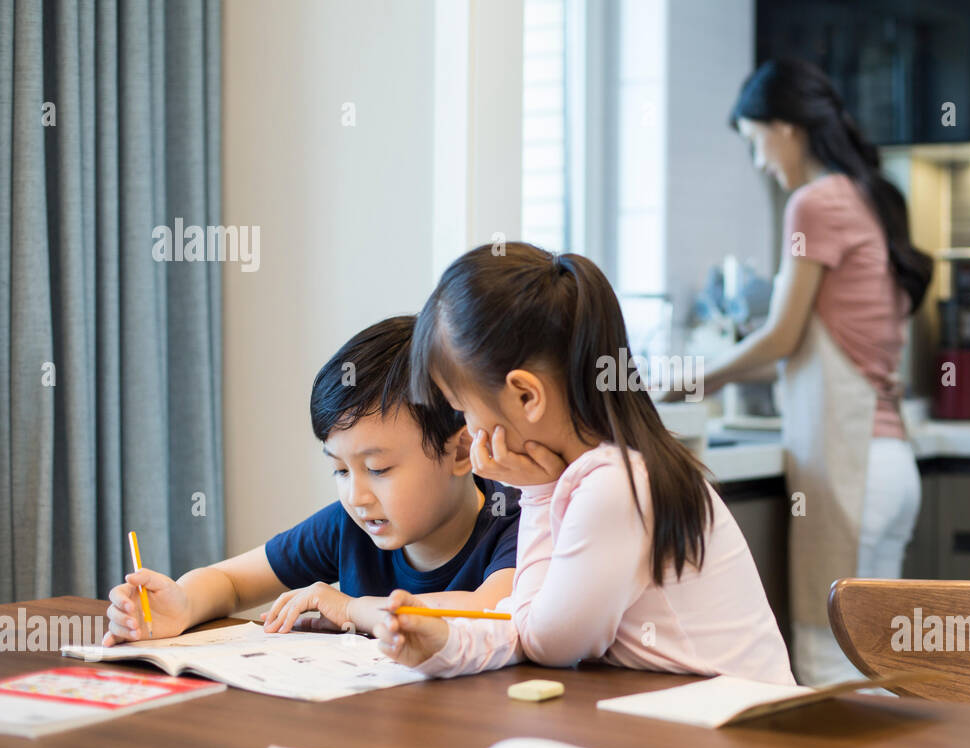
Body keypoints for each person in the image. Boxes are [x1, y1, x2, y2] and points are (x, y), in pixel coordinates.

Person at [374, 242, 795, 685]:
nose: (467, 427)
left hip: (736, 729)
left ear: (526, 396)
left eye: (463, 407)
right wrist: (446, 643)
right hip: (689, 714)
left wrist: (535, 495)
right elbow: (529, 625)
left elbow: (548, 643)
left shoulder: (615, 487)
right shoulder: (612, 470)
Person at [665, 59, 933, 685]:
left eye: (757, 141)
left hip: (851, 470)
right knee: (881, 671)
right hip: (891, 467)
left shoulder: (812, 203)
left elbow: (781, 336)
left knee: (829, 666)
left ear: (785, 127)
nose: (760, 162)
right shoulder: (869, 195)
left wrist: (695, 380)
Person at [102, 315, 520, 645]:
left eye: (377, 470)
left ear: (461, 450)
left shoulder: (517, 522)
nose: (356, 496)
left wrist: (348, 608)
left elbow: (489, 611)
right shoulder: (349, 525)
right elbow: (230, 582)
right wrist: (183, 604)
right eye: (340, 470)